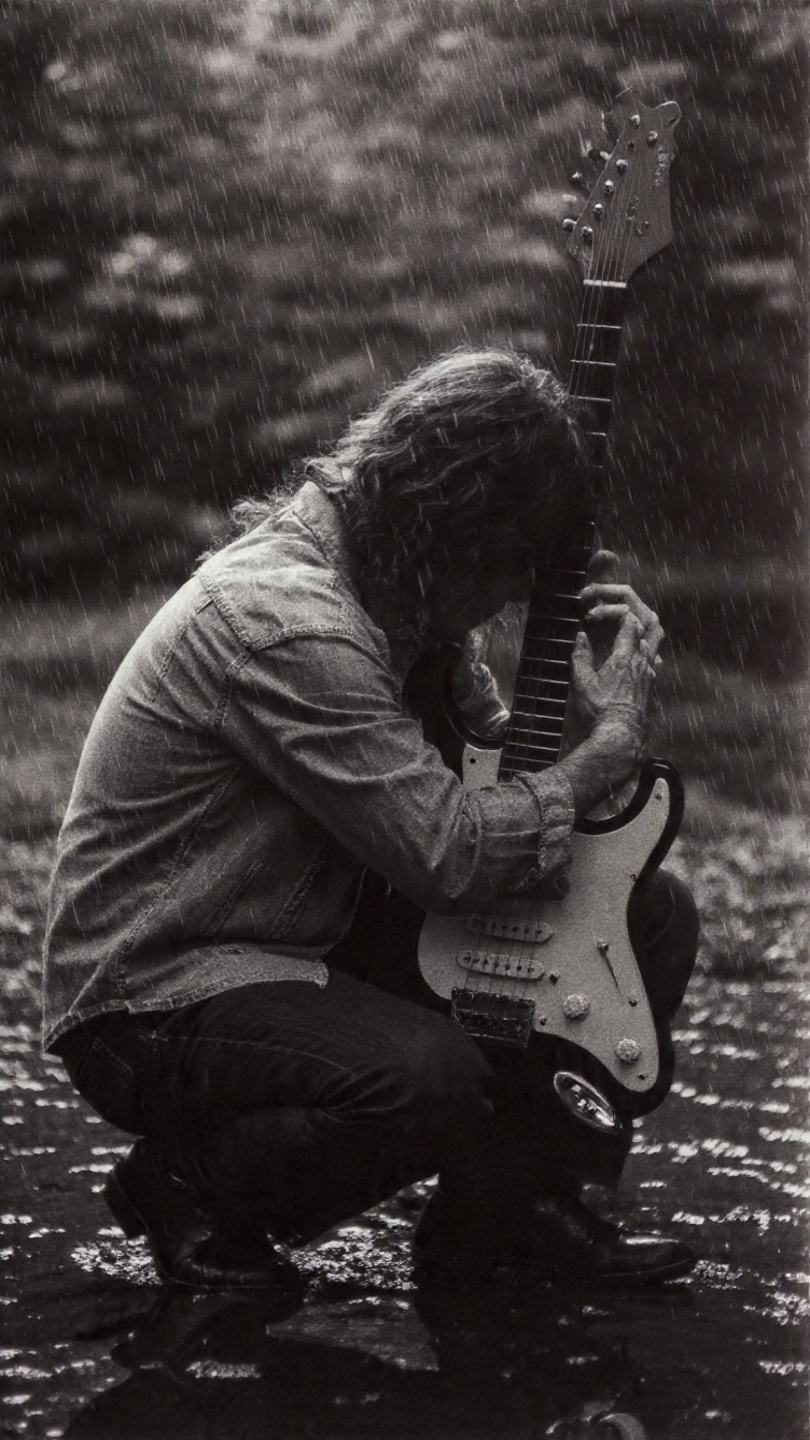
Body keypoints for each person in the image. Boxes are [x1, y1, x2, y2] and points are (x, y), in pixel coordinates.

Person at [42, 349, 699, 1296]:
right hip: (159, 988)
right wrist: (614, 746)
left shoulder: (401, 592)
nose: (510, 601)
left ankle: (512, 1208)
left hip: (310, 937)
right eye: (514, 572)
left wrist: (586, 720)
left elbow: (495, 791)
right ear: (458, 529)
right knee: (429, 1078)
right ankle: (188, 1186)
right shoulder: (289, 622)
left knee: (644, 914)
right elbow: (455, 857)